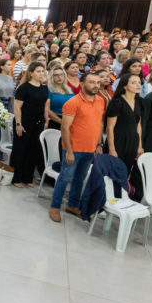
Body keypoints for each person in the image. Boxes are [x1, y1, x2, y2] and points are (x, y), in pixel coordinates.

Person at [48, 71, 106, 222]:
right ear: (82, 84)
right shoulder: (73, 102)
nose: (96, 85)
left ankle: (72, 205)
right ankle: (55, 207)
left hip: (90, 148)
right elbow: (65, 128)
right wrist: (69, 151)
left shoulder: (100, 101)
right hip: (74, 148)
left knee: (79, 178)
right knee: (65, 177)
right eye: (92, 82)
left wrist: (99, 143)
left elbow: (99, 123)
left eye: (98, 83)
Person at [10, 63, 49, 188]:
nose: (41, 74)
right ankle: (16, 177)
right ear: (31, 73)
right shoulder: (24, 88)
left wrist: (45, 120)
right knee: (20, 149)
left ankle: (27, 177)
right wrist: (18, 123)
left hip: (38, 122)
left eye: (42, 71)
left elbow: (44, 105)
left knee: (33, 150)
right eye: (38, 71)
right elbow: (17, 107)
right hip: (24, 121)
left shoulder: (44, 88)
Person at [106, 73, 144, 192]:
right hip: (118, 140)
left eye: (139, 82)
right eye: (133, 82)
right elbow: (110, 127)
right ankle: (106, 200)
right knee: (112, 173)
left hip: (132, 142)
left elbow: (138, 125)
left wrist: (140, 146)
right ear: (124, 86)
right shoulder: (117, 102)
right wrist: (112, 149)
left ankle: (120, 198)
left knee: (125, 172)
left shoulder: (139, 101)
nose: (138, 85)